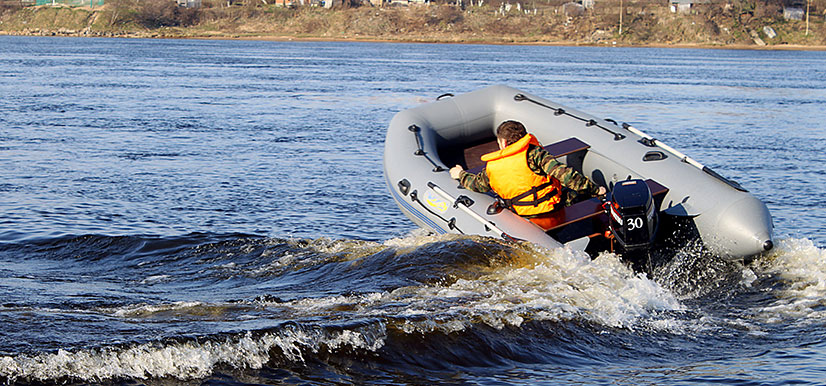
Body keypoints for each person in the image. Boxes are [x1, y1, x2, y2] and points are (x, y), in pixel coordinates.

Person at [449, 120, 606, 229]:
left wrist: (461, 174)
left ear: (503, 143)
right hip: (552, 207)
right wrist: (595, 190)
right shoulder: (535, 154)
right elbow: (566, 176)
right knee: (579, 192)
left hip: (521, 212)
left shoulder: (492, 166)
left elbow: (477, 185)